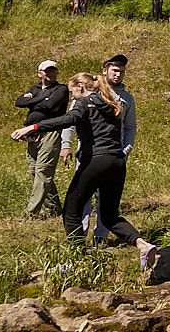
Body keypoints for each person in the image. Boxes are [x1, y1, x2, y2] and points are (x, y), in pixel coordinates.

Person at [11, 72, 156, 271]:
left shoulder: (84, 102)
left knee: (71, 210)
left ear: (80, 86)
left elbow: (68, 119)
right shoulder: (111, 103)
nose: (71, 97)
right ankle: (142, 245)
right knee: (109, 216)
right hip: (117, 162)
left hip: (95, 161)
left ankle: (77, 261)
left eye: (72, 92)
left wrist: (33, 127)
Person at [61, 54, 137, 247]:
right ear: (104, 71)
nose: (119, 74)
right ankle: (81, 235)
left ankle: (100, 237)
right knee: (82, 198)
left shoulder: (126, 98)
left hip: (113, 154)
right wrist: (66, 144)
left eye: (122, 71)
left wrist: (126, 149)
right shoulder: (88, 93)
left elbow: (130, 126)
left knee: (106, 201)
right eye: (115, 70)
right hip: (88, 153)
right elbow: (71, 120)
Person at [14, 60, 69, 220]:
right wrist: (42, 100)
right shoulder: (36, 88)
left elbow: (51, 103)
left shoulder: (61, 89)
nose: (51, 73)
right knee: (33, 170)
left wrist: (32, 101)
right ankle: (54, 208)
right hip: (31, 134)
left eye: (54, 71)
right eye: (47, 71)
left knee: (43, 171)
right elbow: (19, 102)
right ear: (40, 73)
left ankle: (30, 214)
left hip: (50, 132)